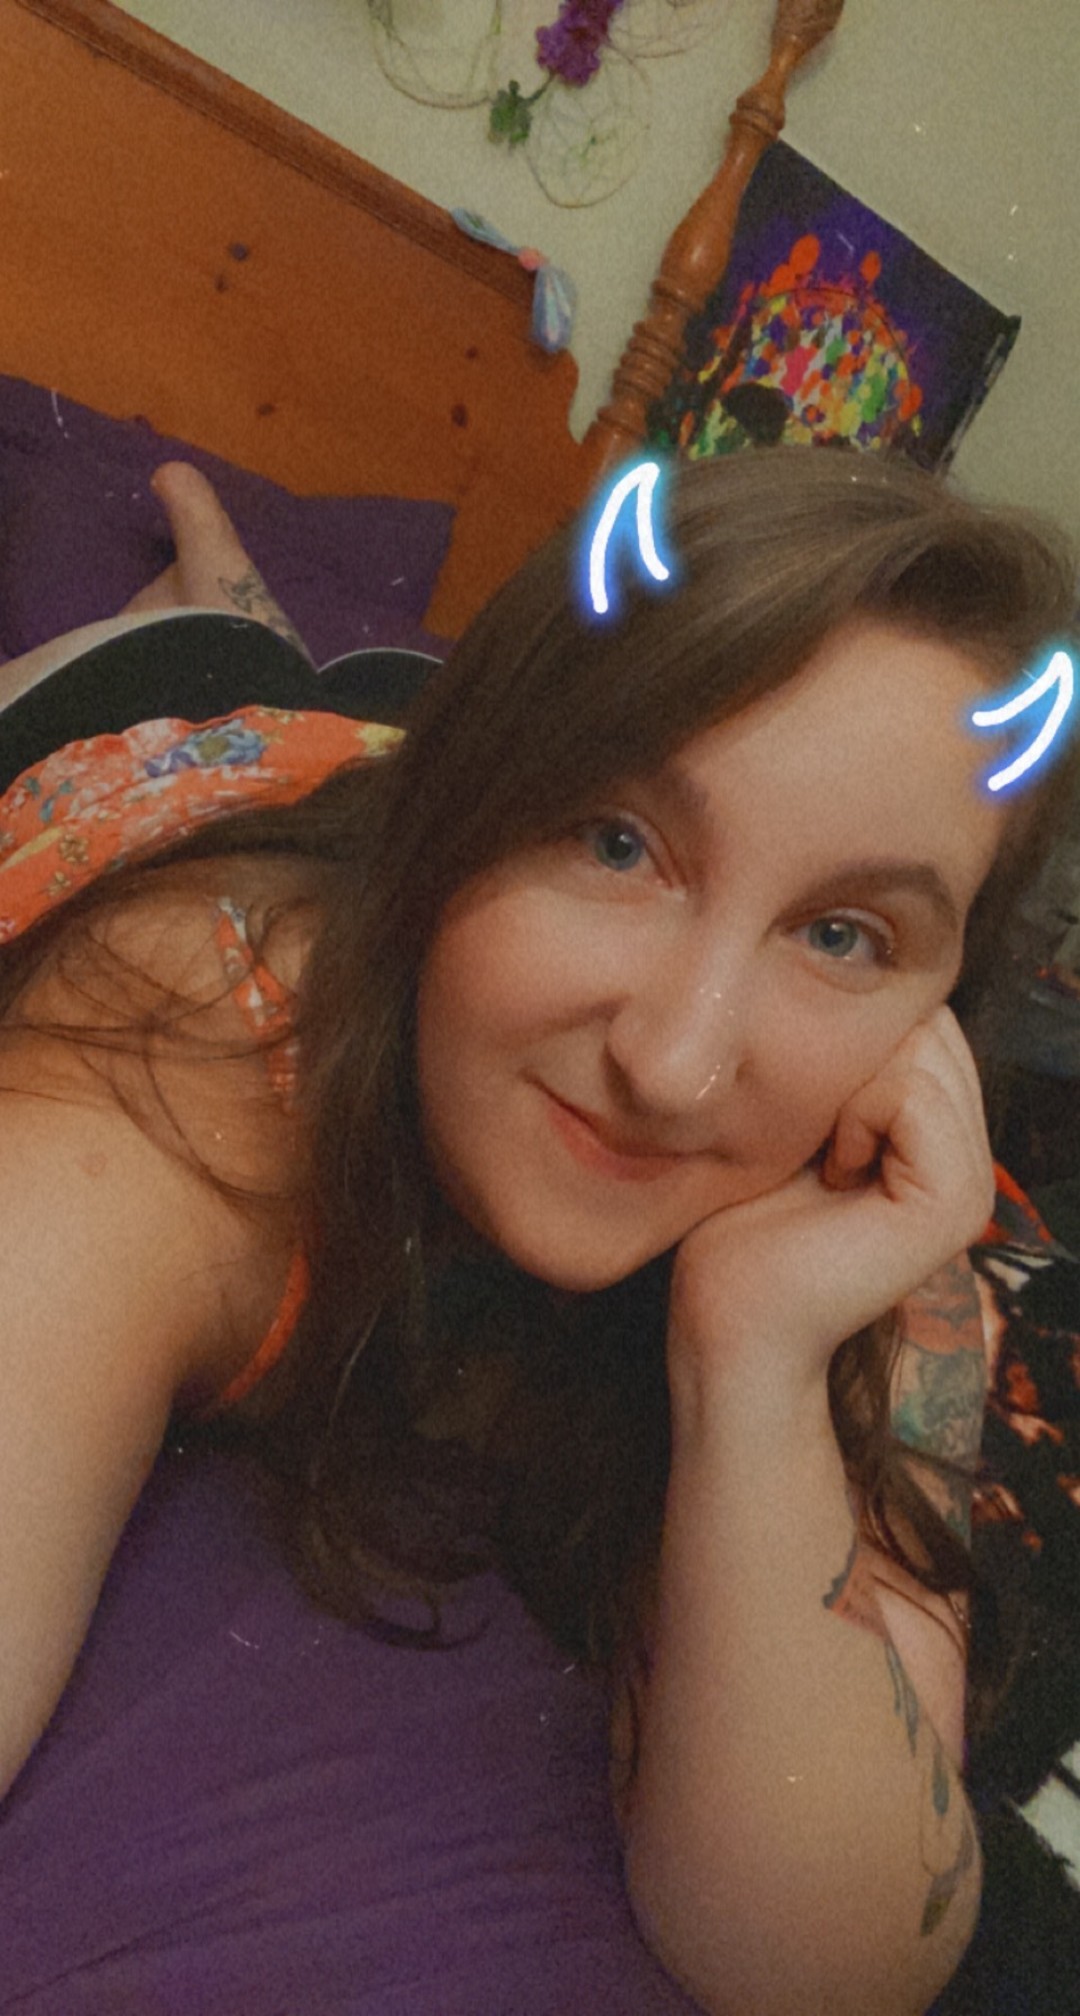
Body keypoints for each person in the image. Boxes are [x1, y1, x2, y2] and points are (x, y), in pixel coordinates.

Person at [0, 446, 1076, 2016]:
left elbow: (826, 1963)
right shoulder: (198, 1040)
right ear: (474, 804)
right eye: (615, 841)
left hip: (394, 748)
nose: (676, 1064)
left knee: (337, 680)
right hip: (174, 751)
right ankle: (211, 595)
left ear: (940, 1015)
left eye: (845, 934)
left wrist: (758, 1366)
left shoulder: (880, 1228)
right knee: (208, 653)